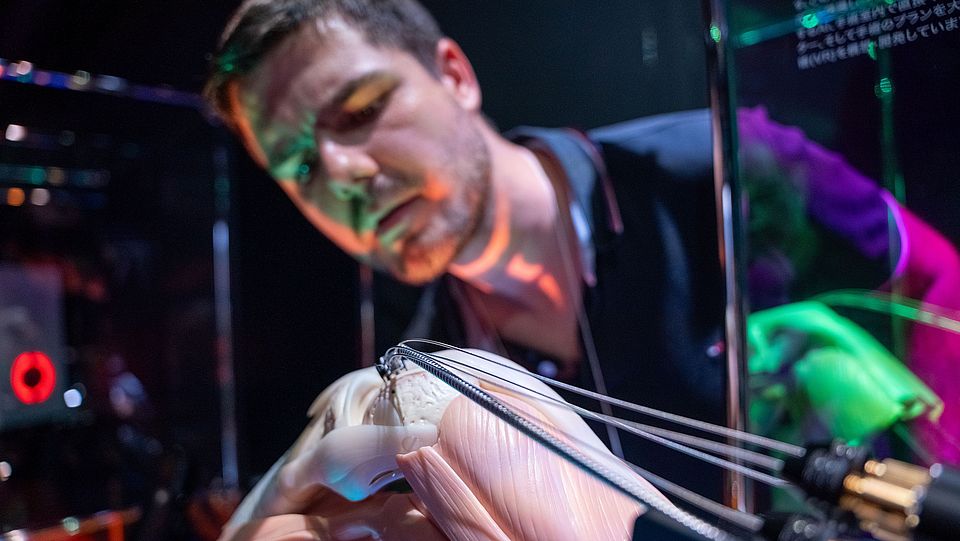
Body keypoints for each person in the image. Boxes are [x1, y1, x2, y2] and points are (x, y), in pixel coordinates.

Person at [203, 0, 960, 535]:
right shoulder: (432, 360)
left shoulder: (715, 169)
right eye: (301, 167)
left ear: (455, 74)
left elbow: (933, 281)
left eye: (361, 109)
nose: (343, 173)